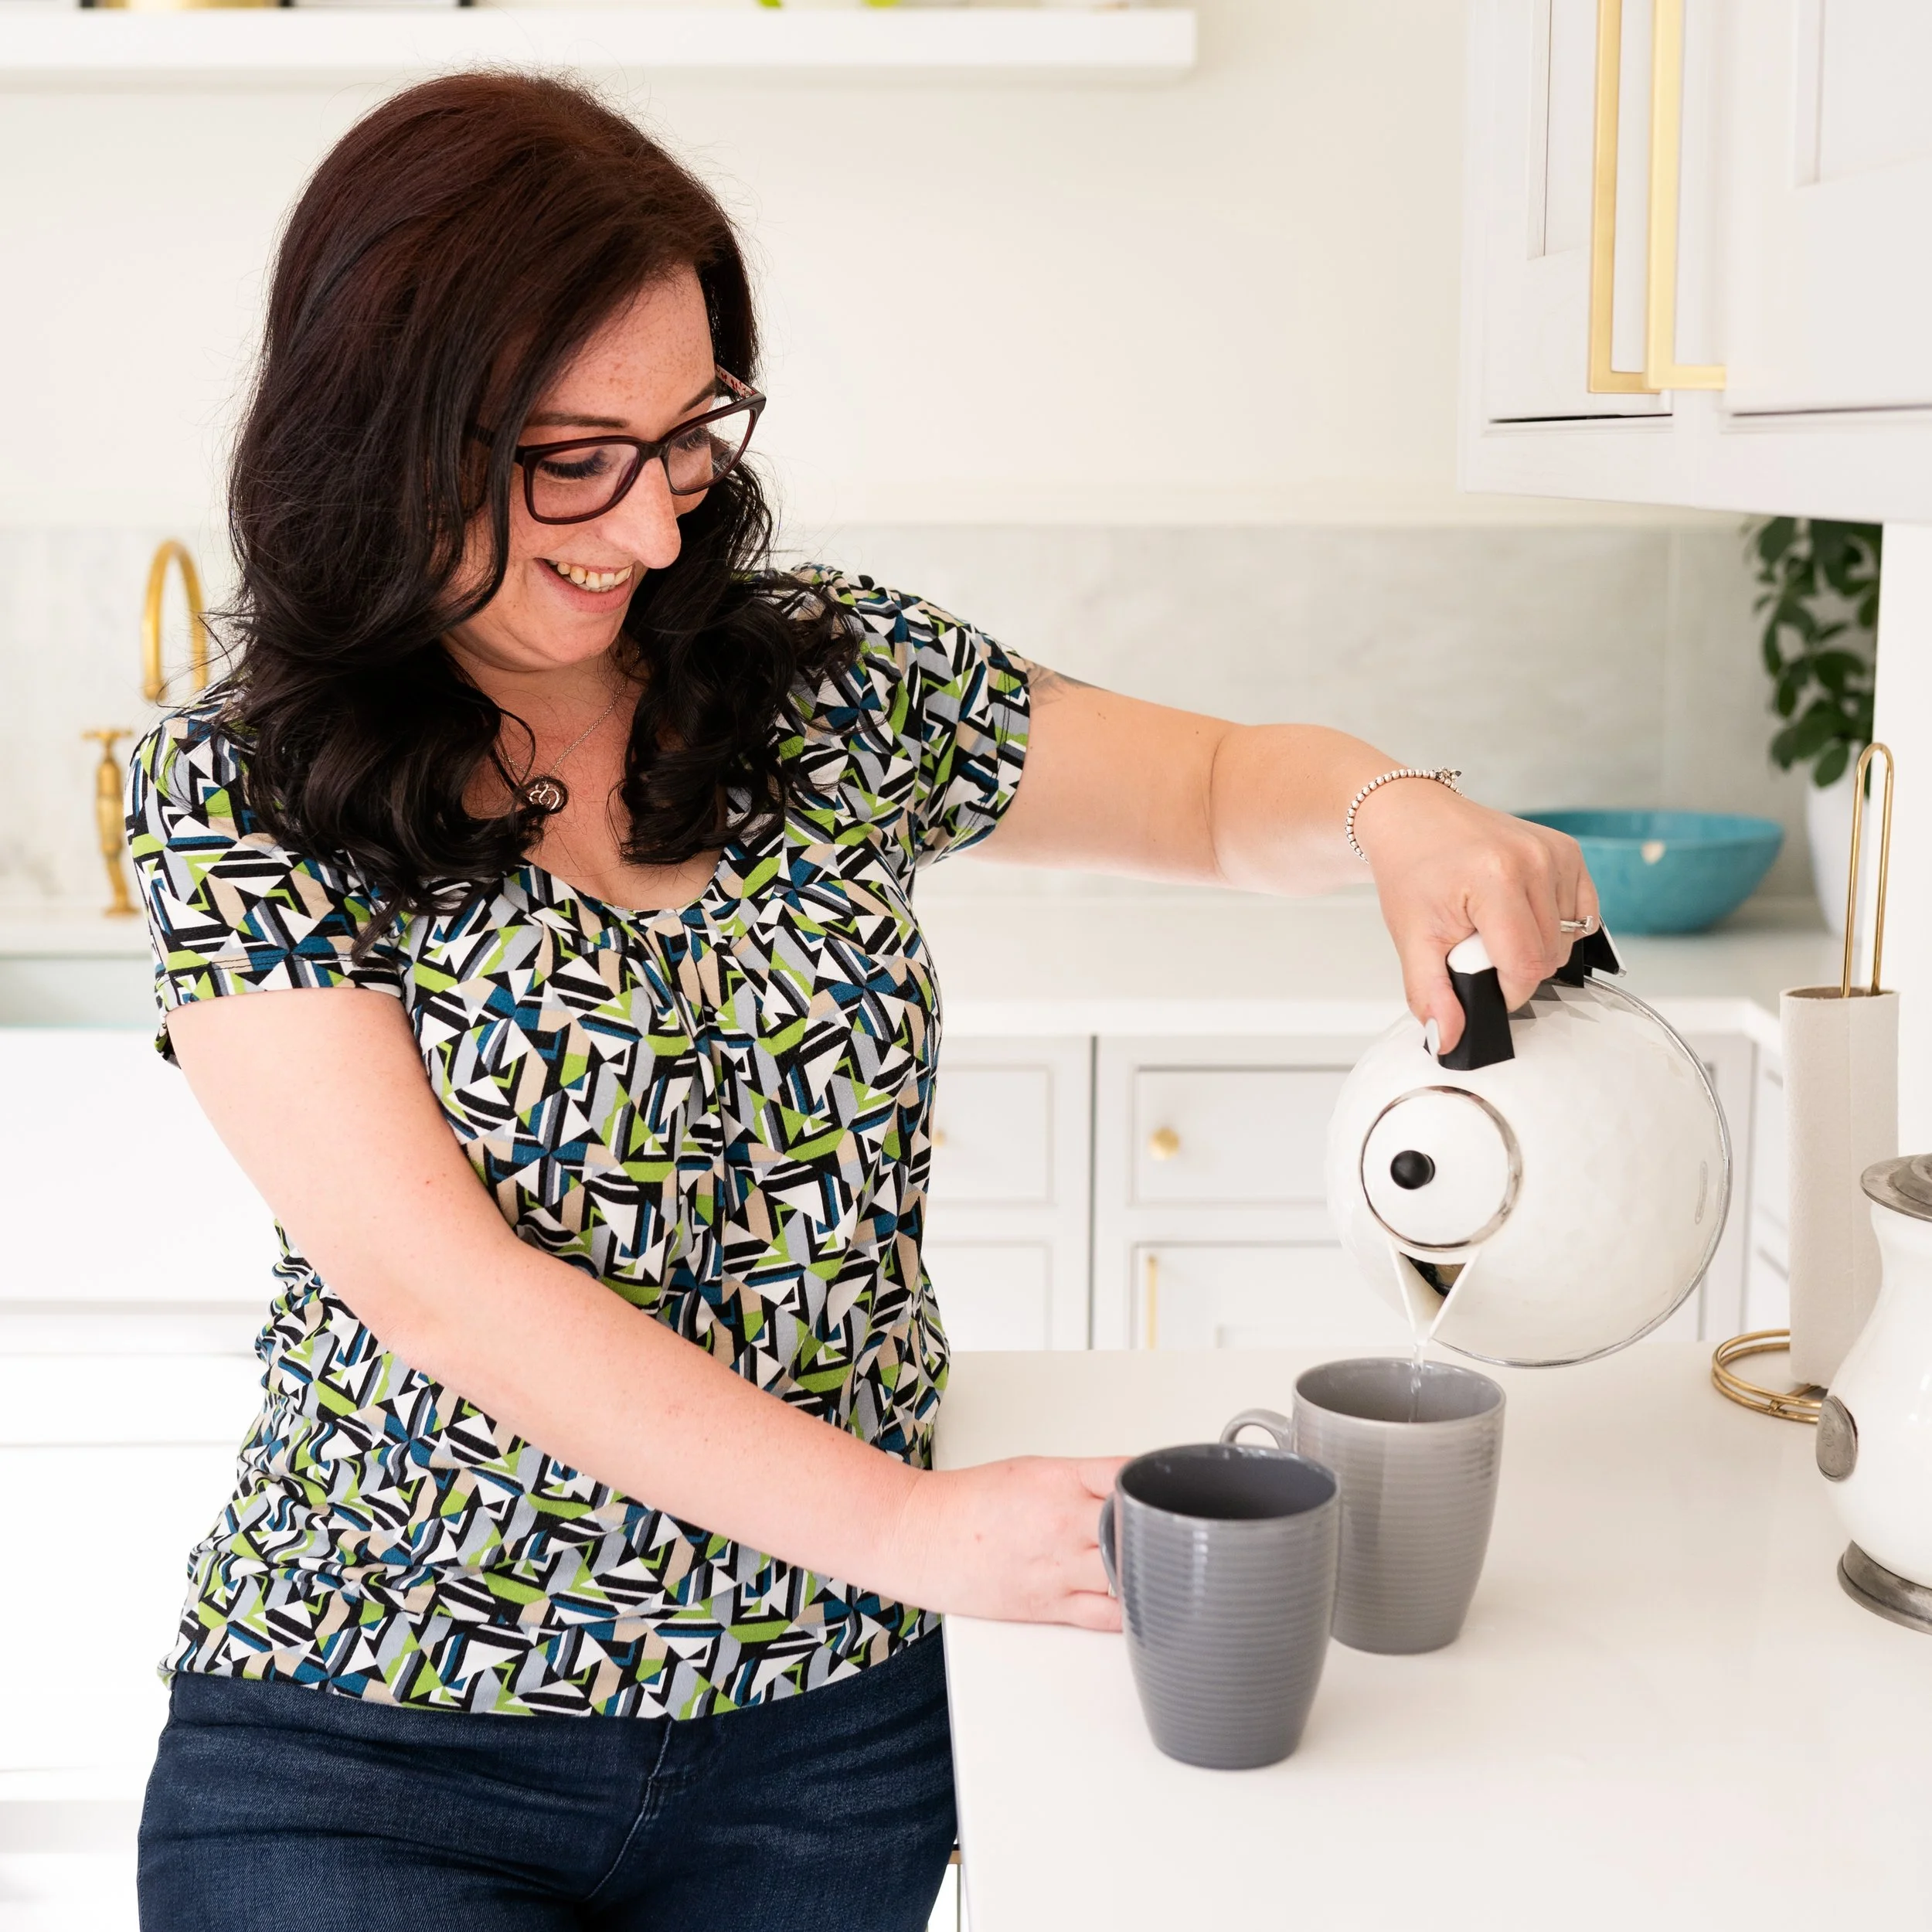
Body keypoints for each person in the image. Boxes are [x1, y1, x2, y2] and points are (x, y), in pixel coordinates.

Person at [129, 71, 1597, 1932]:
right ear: (387, 424)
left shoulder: (820, 683)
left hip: (831, 1737)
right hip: (377, 1734)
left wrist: (1396, 806)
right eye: (572, 457)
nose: (653, 530)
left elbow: (1216, 788)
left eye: (687, 439)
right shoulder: (239, 786)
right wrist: (914, 1528)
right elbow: (444, 1287)